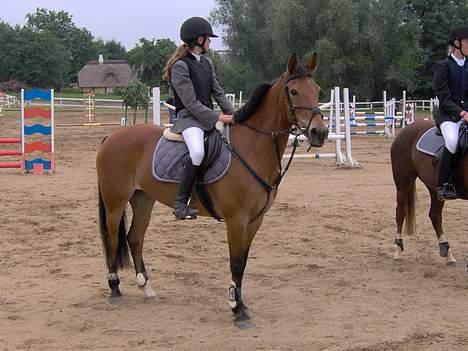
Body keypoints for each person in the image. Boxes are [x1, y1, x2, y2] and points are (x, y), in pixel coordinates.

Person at [163, 16, 235, 220]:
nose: (210, 42)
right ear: (198, 40)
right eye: (208, 38)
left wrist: (234, 114)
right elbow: (192, 103)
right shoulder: (180, 66)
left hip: (207, 119)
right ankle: (180, 203)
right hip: (189, 119)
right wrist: (219, 116)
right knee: (197, 152)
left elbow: (218, 92)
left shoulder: (207, 63)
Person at [432, 25, 468, 201]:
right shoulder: (443, 66)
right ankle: (443, 186)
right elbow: (444, 98)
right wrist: (462, 113)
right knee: (453, 142)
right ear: (457, 43)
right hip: (449, 116)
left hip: (467, 115)